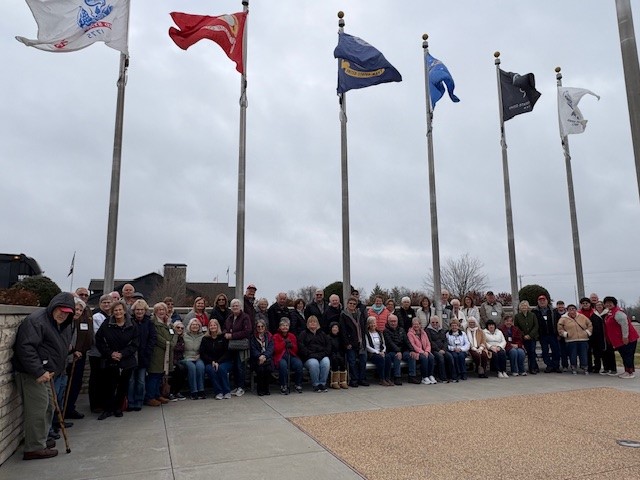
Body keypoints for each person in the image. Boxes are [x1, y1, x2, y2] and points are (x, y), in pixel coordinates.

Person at [13, 292, 75, 460]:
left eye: (67, 312)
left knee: (48, 406)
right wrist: (39, 371)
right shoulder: (37, 321)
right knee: (38, 409)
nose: (63, 314)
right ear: (54, 307)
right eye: (60, 310)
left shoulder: (64, 324)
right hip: (33, 373)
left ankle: (40, 439)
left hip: (48, 373)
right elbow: (26, 347)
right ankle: (34, 447)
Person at [95, 300, 139, 420]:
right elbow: (99, 340)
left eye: (120, 310)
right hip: (110, 360)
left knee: (123, 386)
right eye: (115, 310)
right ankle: (107, 409)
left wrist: (122, 354)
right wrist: (110, 353)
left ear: (124, 311)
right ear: (112, 312)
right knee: (108, 386)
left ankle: (118, 408)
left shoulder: (132, 325)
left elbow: (135, 343)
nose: (118, 312)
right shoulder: (106, 324)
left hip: (127, 360)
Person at [64, 292, 93, 420]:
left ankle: (70, 408)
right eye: (76, 309)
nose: (78, 312)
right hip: (67, 359)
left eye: (81, 310)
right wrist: (74, 351)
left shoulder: (83, 318)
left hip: (79, 355)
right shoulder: (66, 322)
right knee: (66, 386)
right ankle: (63, 411)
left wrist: (80, 350)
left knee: (76, 384)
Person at [127, 299, 156, 411]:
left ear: (145, 311)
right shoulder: (129, 321)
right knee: (131, 381)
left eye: (141, 310)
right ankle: (130, 401)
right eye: (137, 310)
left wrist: (148, 351)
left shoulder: (149, 322)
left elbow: (152, 338)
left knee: (141, 381)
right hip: (131, 355)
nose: (139, 312)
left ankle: (139, 401)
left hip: (144, 356)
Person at [145, 302, 174, 406]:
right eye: (159, 310)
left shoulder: (168, 323)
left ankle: (157, 395)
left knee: (160, 375)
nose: (161, 312)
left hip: (166, 354)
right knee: (154, 375)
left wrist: (171, 343)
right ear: (155, 311)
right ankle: (150, 397)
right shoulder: (153, 323)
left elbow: (173, 335)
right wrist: (169, 343)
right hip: (156, 353)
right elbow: (158, 338)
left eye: (163, 310)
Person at [88, 294, 112, 413]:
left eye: (108, 302)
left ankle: (104, 402)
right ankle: (95, 404)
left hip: (108, 353)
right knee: (96, 378)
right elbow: (97, 336)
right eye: (104, 302)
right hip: (97, 353)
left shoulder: (112, 316)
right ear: (100, 304)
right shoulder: (97, 317)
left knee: (105, 379)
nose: (106, 305)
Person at [603, 296, 638, 379]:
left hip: (628, 339)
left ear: (614, 303)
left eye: (610, 303)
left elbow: (625, 325)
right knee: (624, 355)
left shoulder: (618, 313)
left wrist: (625, 337)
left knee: (628, 355)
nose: (608, 304)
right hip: (619, 340)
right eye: (606, 303)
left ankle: (630, 372)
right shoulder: (610, 312)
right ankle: (627, 371)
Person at [224, 298, 252, 396]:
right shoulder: (229, 318)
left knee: (241, 366)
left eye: (237, 305)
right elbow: (225, 328)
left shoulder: (245, 317)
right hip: (232, 346)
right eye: (233, 306)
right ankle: (236, 386)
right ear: (231, 308)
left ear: (240, 307)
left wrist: (232, 335)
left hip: (241, 346)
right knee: (234, 367)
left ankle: (241, 387)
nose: (235, 307)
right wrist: (225, 333)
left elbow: (247, 331)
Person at [200, 319, 233, 399]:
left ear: (218, 326)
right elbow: (203, 353)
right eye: (211, 325)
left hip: (224, 361)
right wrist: (212, 361)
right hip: (210, 362)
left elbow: (227, 352)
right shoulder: (205, 339)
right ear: (209, 327)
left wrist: (218, 362)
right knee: (211, 370)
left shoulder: (223, 337)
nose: (213, 327)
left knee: (221, 369)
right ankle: (218, 392)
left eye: (214, 325)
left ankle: (226, 391)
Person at [298, 316, 331, 392]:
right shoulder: (303, 334)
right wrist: (311, 355)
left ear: (317, 323)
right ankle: (316, 384)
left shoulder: (322, 334)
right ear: (307, 324)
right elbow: (301, 347)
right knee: (314, 363)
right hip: (309, 357)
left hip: (322, 355)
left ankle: (322, 384)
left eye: (314, 322)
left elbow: (328, 346)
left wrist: (323, 354)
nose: (312, 323)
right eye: (310, 322)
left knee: (326, 362)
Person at [340, 296, 368, 387]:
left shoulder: (359, 314)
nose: (352, 305)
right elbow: (343, 330)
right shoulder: (343, 315)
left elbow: (363, 326)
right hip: (350, 343)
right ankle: (354, 379)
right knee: (352, 362)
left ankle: (362, 379)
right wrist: (347, 343)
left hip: (361, 341)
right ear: (347, 304)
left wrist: (364, 340)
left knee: (363, 360)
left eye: (354, 304)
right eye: (350, 303)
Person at [557, 304, 592, 375]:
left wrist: (587, 332)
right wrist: (565, 334)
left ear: (576, 310)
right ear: (567, 310)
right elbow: (560, 328)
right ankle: (573, 367)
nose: (572, 310)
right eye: (570, 309)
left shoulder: (582, 317)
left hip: (583, 339)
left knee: (583, 354)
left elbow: (589, 324)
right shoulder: (563, 318)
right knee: (572, 354)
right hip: (571, 340)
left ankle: (585, 367)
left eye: (573, 309)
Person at [273, 318, 303, 394]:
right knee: (283, 365)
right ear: (280, 327)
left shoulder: (292, 336)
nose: (285, 327)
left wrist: (291, 345)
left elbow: (296, 349)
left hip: (291, 355)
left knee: (299, 364)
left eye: (286, 325)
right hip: (280, 356)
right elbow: (276, 349)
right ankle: (283, 385)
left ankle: (298, 384)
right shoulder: (276, 336)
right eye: (283, 325)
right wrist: (284, 343)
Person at [534, 294, 561, 373]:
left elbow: (559, 322)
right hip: (542, 335)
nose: (542, 302)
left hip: (553, 334)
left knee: (556, 350)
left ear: (547, 301)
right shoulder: (535, 312)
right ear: (538, 302)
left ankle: (556, 366)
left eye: (544, 300)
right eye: (540, 301)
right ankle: (549, 365)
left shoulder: (554, 311)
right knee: (545, 351)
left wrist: (558, 333)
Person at [384, 314, 412, 385]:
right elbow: (390, 343)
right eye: (391, 321)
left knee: (411, 355)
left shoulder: (401, 330)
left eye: (395, 321)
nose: (393, 323)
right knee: (397, 356)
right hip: (391, 351)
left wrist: (412, 350)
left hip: (402, 351)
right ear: (388, 322)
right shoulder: (386, 331)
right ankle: (397, 377)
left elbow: (407, 341)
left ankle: (412, 376)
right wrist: (398, 351)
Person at [365, 317, 393, 386]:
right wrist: (377, 352)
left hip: (381, 352)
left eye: (374, 323)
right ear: (368, 325)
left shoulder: (379, 333)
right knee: (381, 359)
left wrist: (383, 351)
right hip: (372, 354)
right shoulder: (366, 334)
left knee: (388, 357)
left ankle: (387, 378)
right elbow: (367, 346)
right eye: (371, 323)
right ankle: (382, 379)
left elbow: (383, 344)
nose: (373, 325)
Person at [407, 318, 436, 385]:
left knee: (431, 357)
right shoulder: (410, 334)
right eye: (414, 324)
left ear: (420, 325)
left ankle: (430, 375)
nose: (416, 326)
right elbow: (413, 345)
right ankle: (424, 376)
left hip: (425, 351)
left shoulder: (424, 332)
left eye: (417, 324)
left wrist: (427, 351)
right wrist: (422, 352)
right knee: (424, 358)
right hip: (417, 352)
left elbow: (428, 343)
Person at [427, 315, 455, 383]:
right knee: (440, 358)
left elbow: (445, 341)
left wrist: (444, 349)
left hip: (443, 349)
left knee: (450, 357)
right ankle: (442, 377)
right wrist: (438, 350)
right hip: (434, 350)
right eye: (433, 322)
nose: (435, 324)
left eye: (436, 322)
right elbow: (430, 342)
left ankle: (451, 376)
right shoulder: (427, 330)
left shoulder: (442, 330)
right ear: (430, 322)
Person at [182, 318, 205, 399]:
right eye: (193, 325)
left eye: (197, 325)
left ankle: (201, 390)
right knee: (192, 367)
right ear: (189, 326)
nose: (195, 326)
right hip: (186, 357)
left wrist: (200, 355)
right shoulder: (184, 335)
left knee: (200, 367)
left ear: (199, 326)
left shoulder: (202, 336)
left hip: (198, 356)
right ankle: (193, 391)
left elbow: (205, 348)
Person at [250, 318, 274, 396]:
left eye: (262, 326)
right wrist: (259, 357)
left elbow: (270, 348)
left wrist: (264, 356)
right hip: (256, 359)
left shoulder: (269, 336)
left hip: (267, 358)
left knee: (268, 369)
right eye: (258, 326)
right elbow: (253, 349)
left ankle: (266, 388)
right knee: (260, 369)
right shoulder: (253, 337)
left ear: (265, 327)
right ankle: (260, 389)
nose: (260, 328)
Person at [515, 300, 539, 374]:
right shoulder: (517, 316)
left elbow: (536, 326)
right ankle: (526, 367)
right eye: (522, 306)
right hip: (523, 337)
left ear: (528, 307)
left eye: (525, 305)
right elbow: (516, 327)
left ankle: (532, 368)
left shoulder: (532, 315)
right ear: (520, 307)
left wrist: (530, 335)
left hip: (532, 337)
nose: (524, 307)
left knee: (532, 352)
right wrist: (523, 335)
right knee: (527, 352)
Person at [594, 300, 617, 375]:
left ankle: (613, 369)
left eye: (600, 304)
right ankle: (606, 368)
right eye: (597, 305)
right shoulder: (594, 315)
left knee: (610, 353)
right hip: (599, 337)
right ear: (595, 307)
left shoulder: (607, 313)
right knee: (603, 353)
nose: (599, 306)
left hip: (608, 336)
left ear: (603, 306)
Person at [168, 321, 187, 401]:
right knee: (178, 370)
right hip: (171, 360)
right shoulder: (172, 336)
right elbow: (173, 347)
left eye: (182, 328)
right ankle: (171, 392)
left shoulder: (182, 338)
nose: (180, 329)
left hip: (180, 359)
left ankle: (177, 391)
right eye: (178, 327)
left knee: (184, 369)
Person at [328, 321, 348, 389]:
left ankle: (343, 381)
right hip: (331, 354)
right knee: (335, 360)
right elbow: (328, 348)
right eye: (333, 327)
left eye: (336, 327)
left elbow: (342, 348)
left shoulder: (340, 338)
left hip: (339, 354)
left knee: (342, 360)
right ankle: (334, 382)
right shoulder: (328, 337)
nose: (335, 329)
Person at [553, 301, 570, 371]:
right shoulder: (554, 314)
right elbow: (554, 325)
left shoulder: (568, 314)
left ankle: (572, 365)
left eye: (562, 306)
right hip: (559, 336)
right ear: (557, 306)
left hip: (569, 335)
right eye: (559, 306)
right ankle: (564, 365)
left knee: (570, 351)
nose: (561, 307)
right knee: (562, 351)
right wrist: (558, 334)